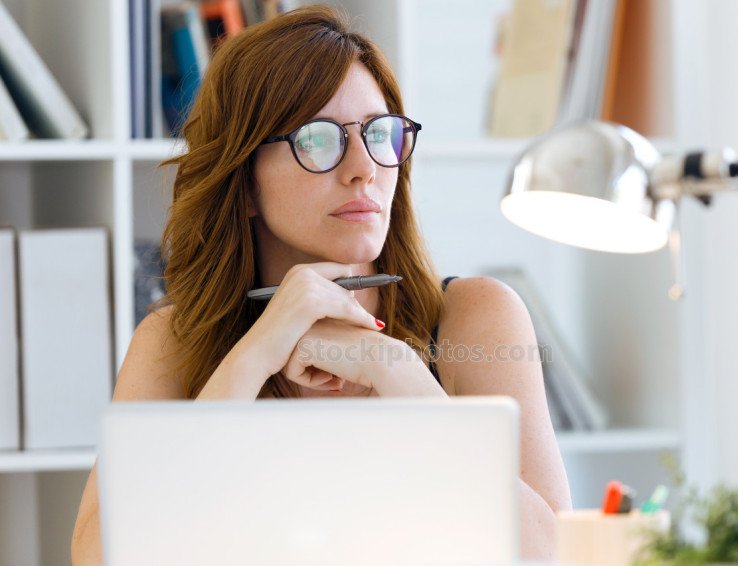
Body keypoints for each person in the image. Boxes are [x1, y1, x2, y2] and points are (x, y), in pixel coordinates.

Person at [71, 5, 571, 564]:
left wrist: (399, 370)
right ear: (242, 182)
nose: (365, 167)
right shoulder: (174, 338)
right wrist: (255, 355)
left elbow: (552, 552)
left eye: (379, 134)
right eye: (317, 139)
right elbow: (100, 555)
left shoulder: (473, 316)